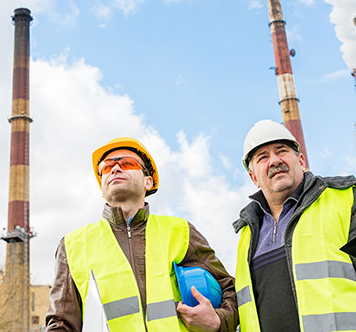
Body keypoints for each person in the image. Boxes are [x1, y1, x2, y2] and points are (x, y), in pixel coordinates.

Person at [45, 137, 238, 331]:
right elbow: (61, 324)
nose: (115, 169)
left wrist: (218, 320)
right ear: (102, 186)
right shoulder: (73, 245)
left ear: (148, 181)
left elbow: (230, 289)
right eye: (106, 167)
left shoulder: (180, 231)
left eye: (127, 163)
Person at [233, 120, 356, 332]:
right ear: (253, 177)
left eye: (282, 151)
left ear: (301, 160)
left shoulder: (346, 199)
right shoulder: (247, 234)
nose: (275, 161)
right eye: (263, 157)